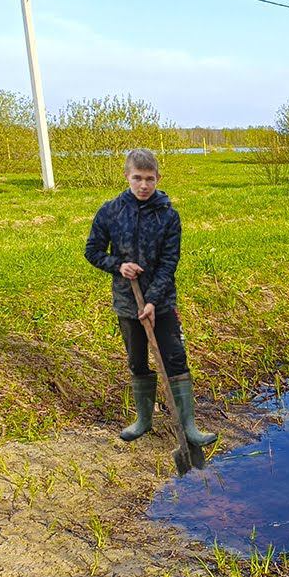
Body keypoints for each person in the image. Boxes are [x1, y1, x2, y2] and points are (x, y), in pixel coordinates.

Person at [84, 148, 216, 453]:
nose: (144, 185)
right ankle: (144, 421)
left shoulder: (168, 215)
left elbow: (170, 262)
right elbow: (92, 251)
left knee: (174, 358)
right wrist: (117, 264)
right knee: (137, 361)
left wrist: (154, 301)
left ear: (158, 178)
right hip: (127, 302)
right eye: (137, 178)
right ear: (127, 176)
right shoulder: (110, 211)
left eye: (150, 179)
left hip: (162, 302)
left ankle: (190, 428)